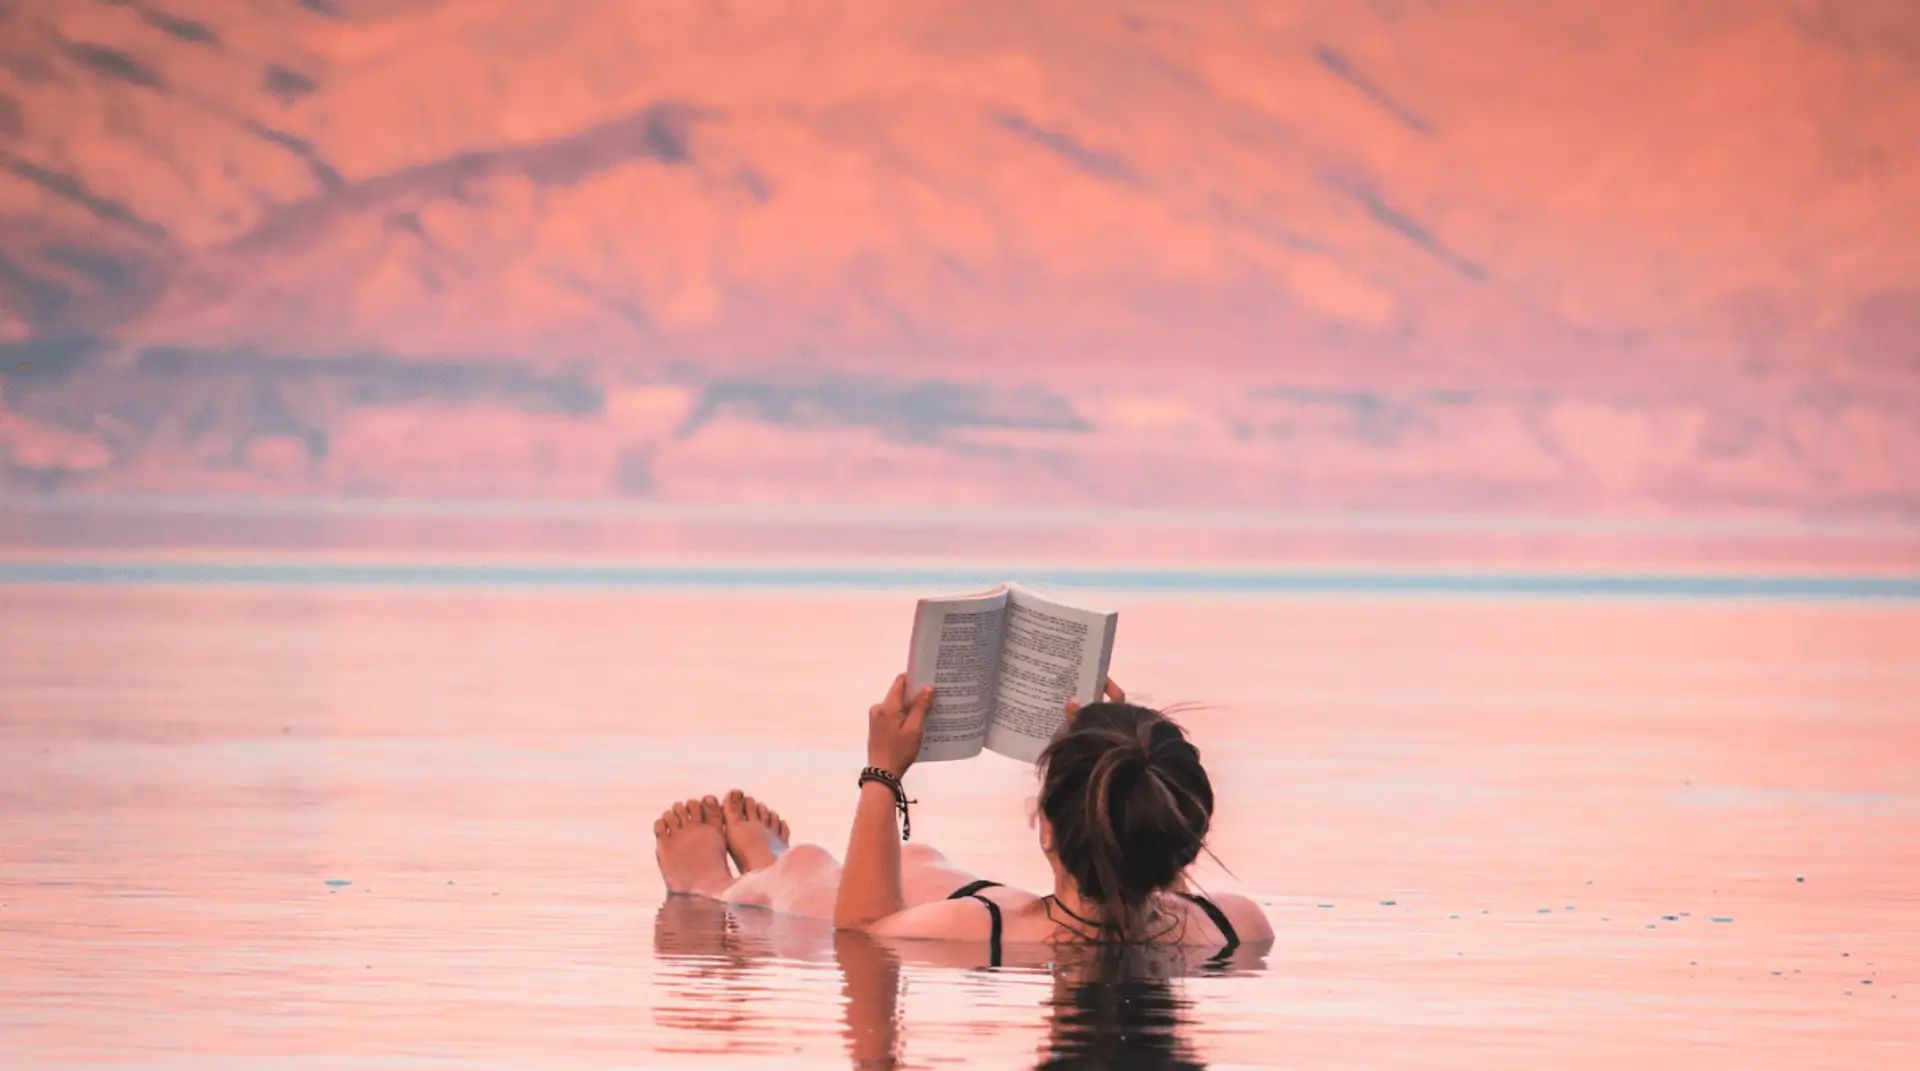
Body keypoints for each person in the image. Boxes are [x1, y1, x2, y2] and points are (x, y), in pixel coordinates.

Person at [652, 672, 1273, 964]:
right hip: (994, 901)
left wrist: (883, 775)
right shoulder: (1237, 927)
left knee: (817, 876)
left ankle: (720, 885)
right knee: (920, 861)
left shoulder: (970, 934)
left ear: (1047, 828)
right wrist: (1119, 756)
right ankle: (770, 864)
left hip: (994, 915)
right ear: (1187, 838)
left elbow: (862, 926)